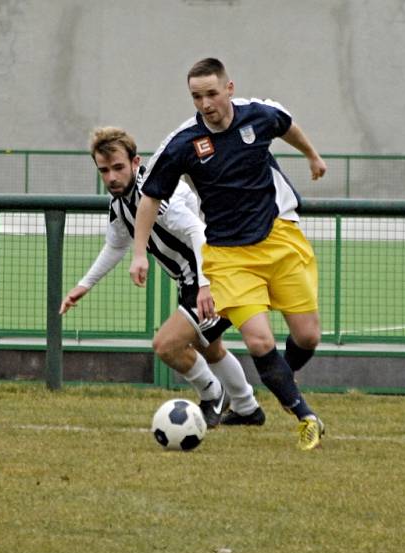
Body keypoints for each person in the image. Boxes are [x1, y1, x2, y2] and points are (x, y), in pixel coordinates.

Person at [130, 57, 326, 451]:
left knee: (307, 335)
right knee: (258, 342)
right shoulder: (184, 143)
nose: (205, 103)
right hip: (228, 256)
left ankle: (284, 380)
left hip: (278, 239)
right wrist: (138, 254)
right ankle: (306, 416)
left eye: (212, 94)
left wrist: (312, 156)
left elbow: (287, 125)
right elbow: (150, 196)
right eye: (196, 96)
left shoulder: (258, 116)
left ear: (229, 89)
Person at [60, 127, 263, 428]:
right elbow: (116, 245)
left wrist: (206, 285)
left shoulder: (155, 193)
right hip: (191, 279)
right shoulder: (119, 204)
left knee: (166, 345)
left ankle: (213, 395)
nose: (111, 177)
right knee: (210, 347)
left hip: (214, 276)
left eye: (118, 168)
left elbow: (199, 232)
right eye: (104, 170)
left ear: (135, 162)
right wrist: (83, 285)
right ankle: (248, 409)